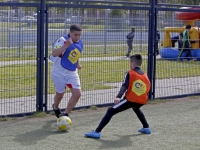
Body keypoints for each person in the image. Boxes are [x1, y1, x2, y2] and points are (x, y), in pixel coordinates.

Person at [85, 54, 151, 139]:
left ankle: (97, 132)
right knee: (136, 108)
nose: (129, 64)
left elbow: (124, 86)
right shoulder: (145, 75)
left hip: (131, 100)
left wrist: (118, 97)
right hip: (143, 100)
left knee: (111, 110)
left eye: (130, 63)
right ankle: (146, 127)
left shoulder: (130, 73)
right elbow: (148, 87)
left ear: (133, 63)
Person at [51, 24, 83, 118]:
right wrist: (66, 45)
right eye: (75, 35)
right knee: (60, 95)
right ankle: (56, 107)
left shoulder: (80, 42)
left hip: (72, 72)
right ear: (70, 33)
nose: (78, 37)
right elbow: (54, 53)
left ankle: (65, 114)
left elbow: (75, 52)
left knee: (77, 94)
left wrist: (77, 63)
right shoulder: (62, 40)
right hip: (59, 72)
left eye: (79, 35)